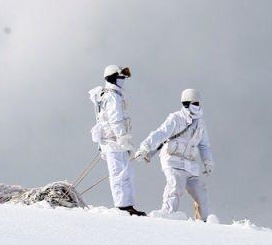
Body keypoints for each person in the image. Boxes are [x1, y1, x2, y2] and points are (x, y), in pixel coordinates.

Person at [133, 89, 213, 220]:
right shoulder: (175, 118)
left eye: (198, 103)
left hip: (190, 165)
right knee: (175, 186)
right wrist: (145, 148)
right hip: (173, 161)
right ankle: (167, 215)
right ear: (186, 103)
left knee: (201, 192)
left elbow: (204, 145)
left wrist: (208, 162)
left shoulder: (200, 123)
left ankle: (202, 221)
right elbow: (160, 133)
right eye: (194, 103)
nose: (197, 106)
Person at [88, 65, 146, 216]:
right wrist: (123, 139)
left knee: (125, 173)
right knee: (119, 174)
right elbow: (115, 120)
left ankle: (128, 205)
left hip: (112, 141)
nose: (123, 81)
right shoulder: (113, 96)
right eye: (121, 78)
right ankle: (123, 206)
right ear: (113, 78)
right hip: (114, 141)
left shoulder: (107, 94)